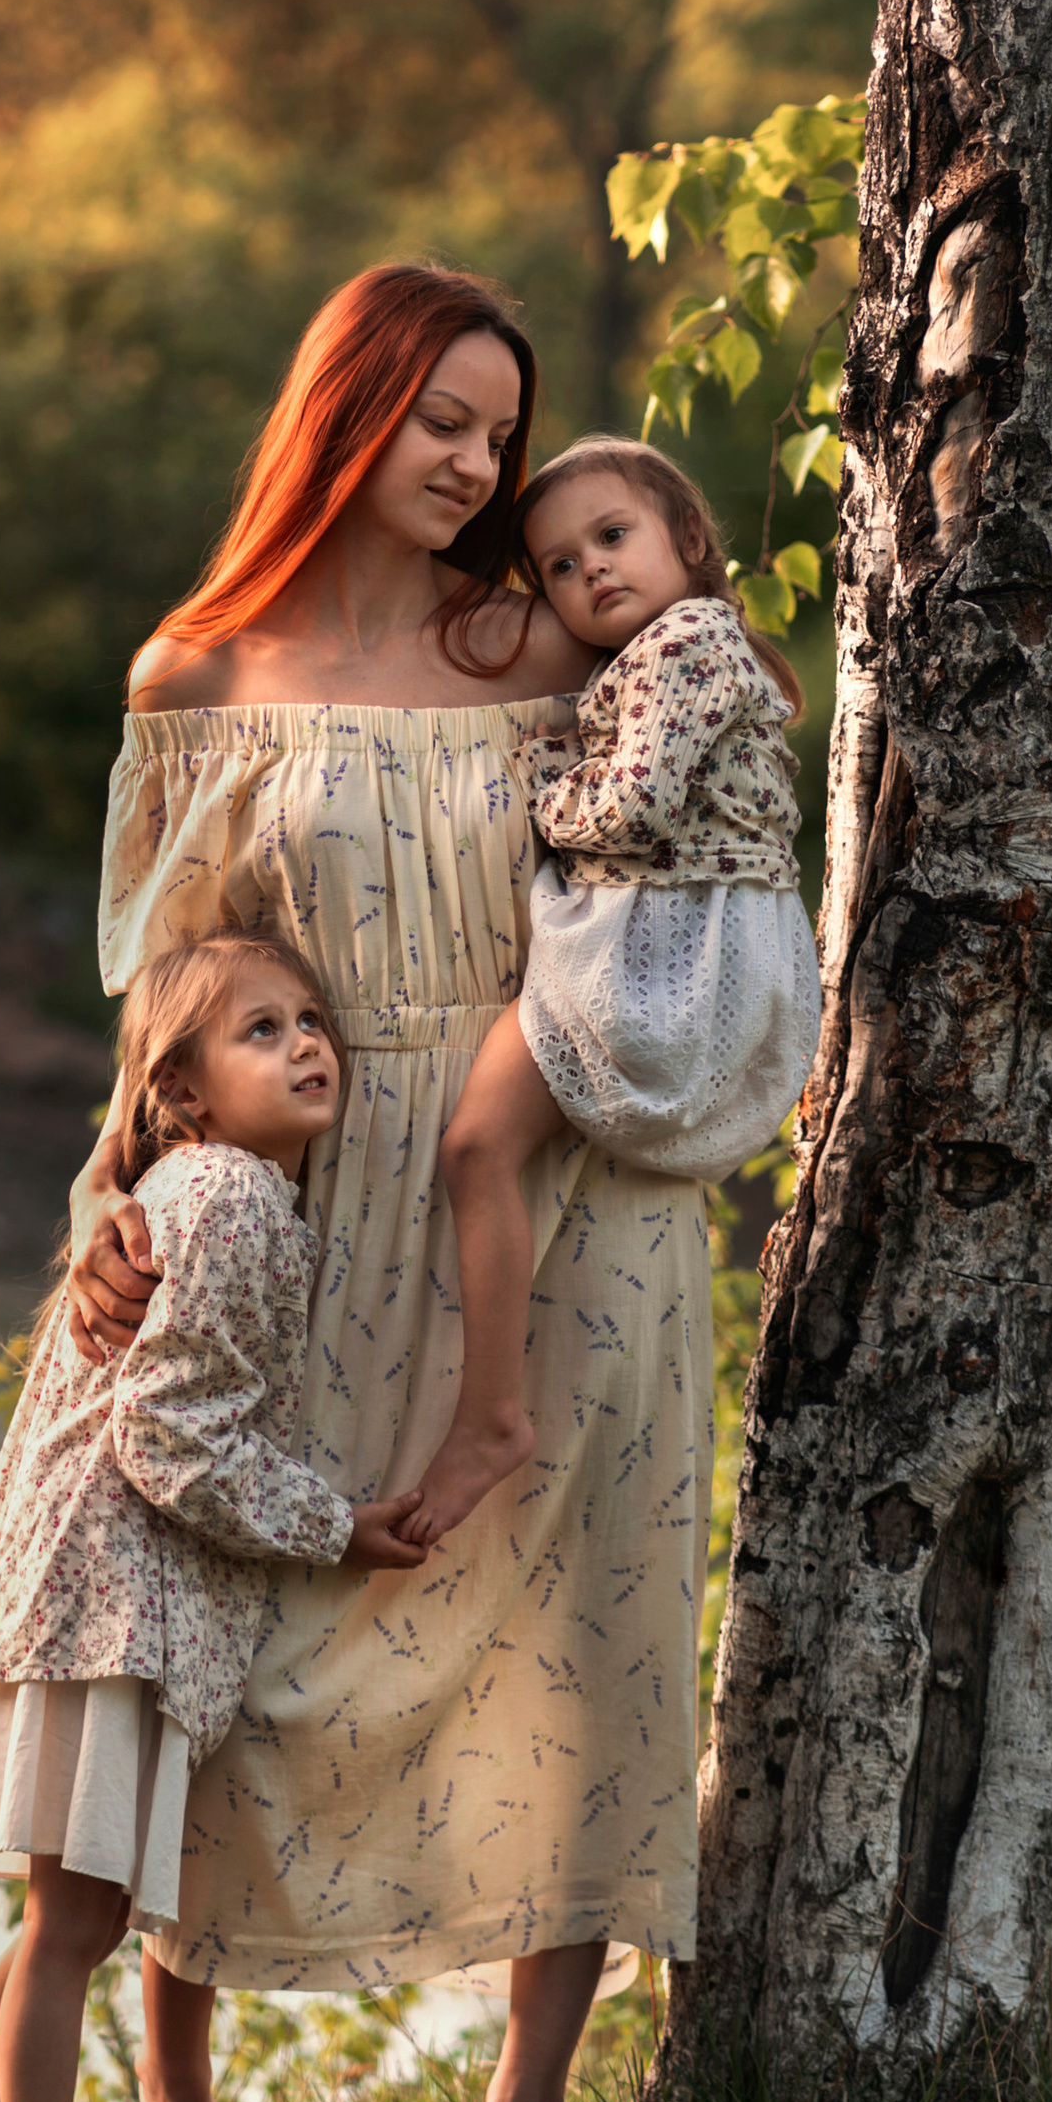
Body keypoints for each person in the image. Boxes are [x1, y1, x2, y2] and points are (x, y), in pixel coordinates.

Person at [70, 263, 716, 2102]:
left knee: (578, 1646)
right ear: (341, 403)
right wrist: (117, 1195)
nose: (473, 462)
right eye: (441, 418)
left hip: (572, 1190)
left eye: (497, 432)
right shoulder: (202, 669)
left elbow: (702, 785)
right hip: (317, 1196)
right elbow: (166, 988)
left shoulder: (537, 642)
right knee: (241, 1636)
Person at [0, 929, 428, 2102]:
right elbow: (168, 1437)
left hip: (89, 1585)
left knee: (73, 1916)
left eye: (310, 1018)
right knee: (71, 1925)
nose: (306, 1042)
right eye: (261, 1030)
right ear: (181, 1092)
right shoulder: (233, 1201)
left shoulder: (205, 1189)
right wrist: (332, 1526)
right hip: (103, 1595)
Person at [411, 440, 821, 1553]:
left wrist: (541, 791)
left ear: (687, 540)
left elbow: (630, 804)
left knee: (475, 1149)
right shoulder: (667, 653)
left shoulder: (687, 639)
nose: (587, 571)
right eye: (554, 565)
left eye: (611, 537)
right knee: (495, 1155)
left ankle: (491, 1416)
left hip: (670, 946)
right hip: (688, 933)